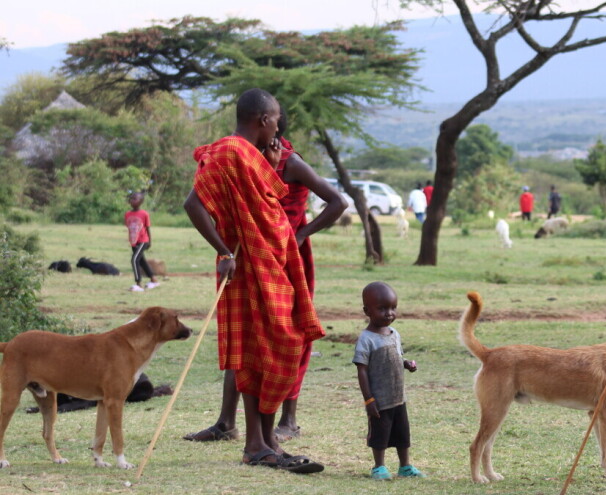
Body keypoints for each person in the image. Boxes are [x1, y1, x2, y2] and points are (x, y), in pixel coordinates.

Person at [183, 88, 326, 473]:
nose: (279, 125)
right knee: (262, 351)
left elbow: (265, 203)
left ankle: (265, 443)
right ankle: (255, 445)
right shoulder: (230, 151)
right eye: (276, 118)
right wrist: (225, 252)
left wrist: (272, 162)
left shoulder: (253, 156)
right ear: (263, 120)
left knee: (274, 349)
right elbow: (193, 204)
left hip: (272, 264)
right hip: (245, 266)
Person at [353, 282, 425, 480]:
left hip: (398, 397)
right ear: (367, 310)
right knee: (380, 435)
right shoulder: (366, 339)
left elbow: (394, 358)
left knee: (403, 434)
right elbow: (362, 370)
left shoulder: (395, 334)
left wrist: (407, 364)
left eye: (393, 308)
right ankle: (379, 466)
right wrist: (369, 400)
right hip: (380, 399)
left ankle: (405, 466)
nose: (389, 313)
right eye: (382, 308)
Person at [124, 191, 160, 292]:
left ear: (141, 201)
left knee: (134, 259)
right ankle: (153, 280)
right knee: (142, 261)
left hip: (143, 241)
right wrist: (131, 241)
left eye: (135, 199)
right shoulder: (127, 214)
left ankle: (138, 284)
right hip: (134, 242)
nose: (132, 200)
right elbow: (130, 228)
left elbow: (147, 228)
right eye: (131, 198)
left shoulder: (144, 214)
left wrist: (149, 241)